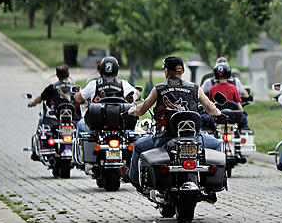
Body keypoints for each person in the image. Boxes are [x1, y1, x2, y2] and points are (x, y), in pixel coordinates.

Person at [126, 55, 223, 191]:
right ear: (182, 71)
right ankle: (210, 184)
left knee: (137, 146)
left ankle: (135, 181)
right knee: (217, 144)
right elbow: (212, 110)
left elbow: (141, 110)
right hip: (194, 139)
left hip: (164, 139)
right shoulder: (195, 88)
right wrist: (220, 113)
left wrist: (132, 110)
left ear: (166, 71)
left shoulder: (159, 89)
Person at [73, 56, 138, 137]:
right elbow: (137, 94)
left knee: (79, 124)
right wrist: (132, 98)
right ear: (116, 70)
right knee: (132, 130)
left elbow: (78, 98)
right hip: (120, 126)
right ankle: (132, 148)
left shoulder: (94, 84)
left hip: (97, 126)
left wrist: (75, 94)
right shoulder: (123, 84)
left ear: (101, 69)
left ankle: (81, 149)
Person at [28, 65, 77, 159]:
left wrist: (32, 103)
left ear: (57, 75)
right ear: (68, 74)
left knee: (41, 122)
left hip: (54, 119)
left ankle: (35, 150)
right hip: (72, 119)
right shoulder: (74, 88)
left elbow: (40, 98)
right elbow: (81, 99)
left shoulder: (52, 87)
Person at [203, 62, 250, 132]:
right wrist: (242, 112)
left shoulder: (212, 89)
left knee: (203, 119)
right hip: (232, 117)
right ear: (228, 73)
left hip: (217, 117)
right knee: (244, 118)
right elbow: (238, 103)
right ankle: (245, 131)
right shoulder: (233, 88)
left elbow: (210, 105)